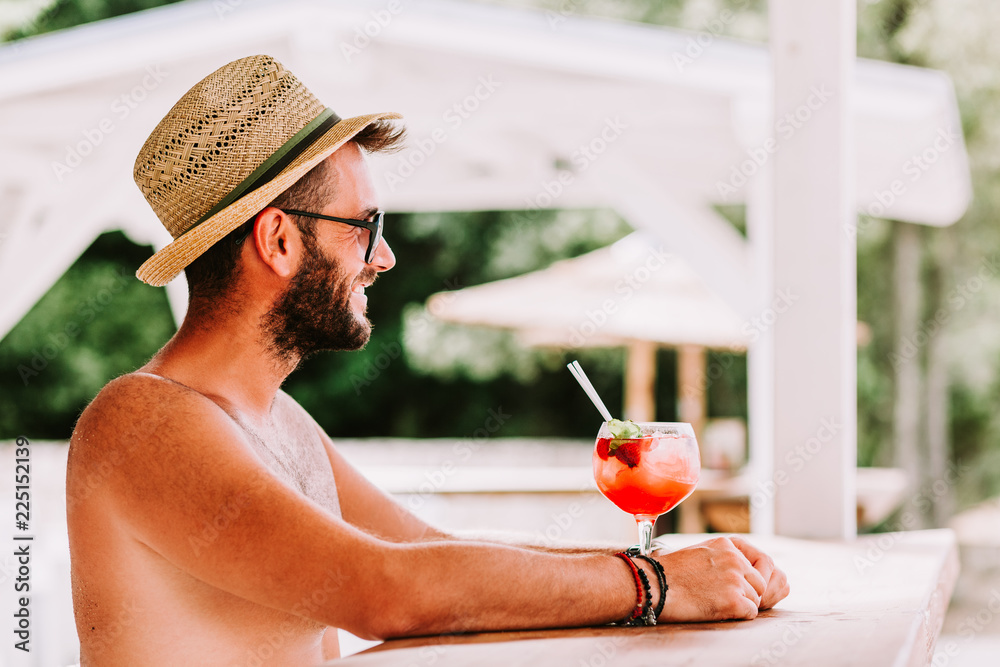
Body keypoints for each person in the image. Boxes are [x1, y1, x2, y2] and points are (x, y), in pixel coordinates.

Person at [67, 55, 788, 666]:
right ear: (279, 241)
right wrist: (653, 585)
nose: (383, 256)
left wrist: (666, 568)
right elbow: (388, 589)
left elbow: (433, 551)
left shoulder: (275, 419)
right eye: (364, 226)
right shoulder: (141, 422)